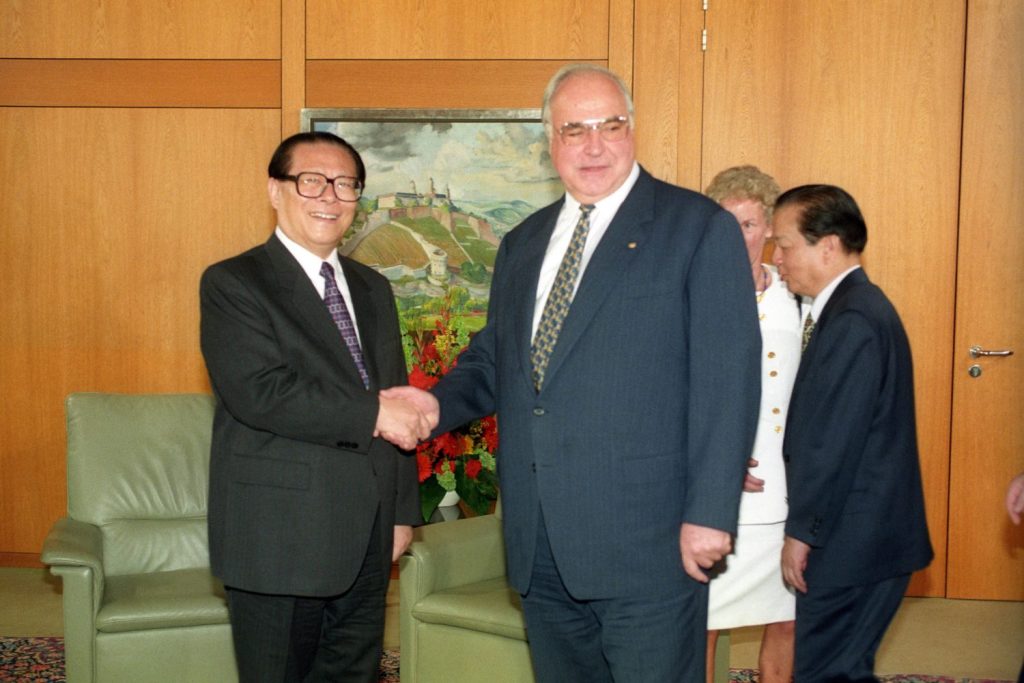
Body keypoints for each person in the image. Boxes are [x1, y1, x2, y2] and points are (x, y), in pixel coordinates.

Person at [383, 64, 761, 681]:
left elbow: (729, 382)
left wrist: (713, 514)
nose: (592, 145)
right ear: (550, 142)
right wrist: (432, 406)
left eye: (609, 126)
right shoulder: (524, 243)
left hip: (652, 543)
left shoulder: (695, 228)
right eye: (572, 129)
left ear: (633, 130)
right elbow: (496, 358)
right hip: (541, 543)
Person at [199, 131, 429, 682]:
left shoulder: (374, 288)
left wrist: (400, 513)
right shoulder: (235, 282)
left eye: (346, 184)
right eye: (311, 181)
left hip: (368, 536)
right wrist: (372, 414)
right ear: (275, 191)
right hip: (280, 536)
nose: (330, 196)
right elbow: (261, 390)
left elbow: (393, 393)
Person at [772, 184, 933, 680]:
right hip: (863, 537)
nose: (776, 258)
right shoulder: (850, 308)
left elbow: (830, 445)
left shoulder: (853, 321)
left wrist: (802, 534)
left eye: (784, 245)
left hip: (853, 543)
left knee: (827, 672)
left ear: (828, 245)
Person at [704, 166, 799, 683]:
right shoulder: (694, 294)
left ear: (768, 230)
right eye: (725, 223)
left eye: (747, 223)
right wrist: (718, 458)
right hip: (721, 485)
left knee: (786, 618)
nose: (736, 235)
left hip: (787, 486)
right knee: (706, 619)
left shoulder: (797, 295)